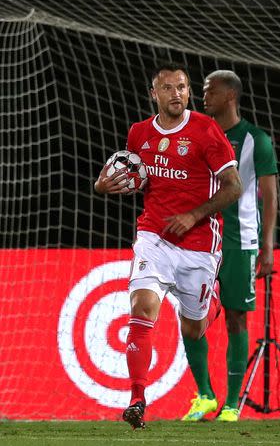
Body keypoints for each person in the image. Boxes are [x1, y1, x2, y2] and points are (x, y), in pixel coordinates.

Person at [94, 62, 242, 429]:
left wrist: (193, 215)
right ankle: (137, 398)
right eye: (168, 88)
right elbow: (135, 177)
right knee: (142, 307)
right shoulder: (139, 133)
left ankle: (211, 306)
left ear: (188, 93)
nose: (176, 94)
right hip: (153, 237)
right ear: (154, 94)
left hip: (199, 243)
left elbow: (233, 186)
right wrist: (104, 186)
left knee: (193, 329)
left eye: (181, 87)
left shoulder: (206, 130)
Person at [179, 70, 279, 422]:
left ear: (231, 96)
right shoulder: (193, 132)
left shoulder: (255, 139)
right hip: (199, 237)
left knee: (235, 316)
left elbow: (269, 196)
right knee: (189, 314)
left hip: (240, 240)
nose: (203, 95)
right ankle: (204, 394)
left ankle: (233, 404)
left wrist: (267, 247)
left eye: (211, 90)